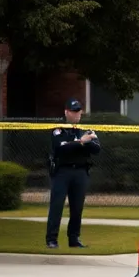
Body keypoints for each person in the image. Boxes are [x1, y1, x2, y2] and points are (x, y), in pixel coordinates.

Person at [45, 99, 101, 249]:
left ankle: (74, 239)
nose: (77, 114)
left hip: (80, 172)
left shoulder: (85, 130)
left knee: (77, 208)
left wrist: (83, 142)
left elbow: (96, 148)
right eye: (73, 111)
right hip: (62, 172)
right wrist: (81, 142)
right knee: (57, 206)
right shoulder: (59, 130)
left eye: (78, 111)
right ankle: (52, 239)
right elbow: (61, 148)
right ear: (66, 112)